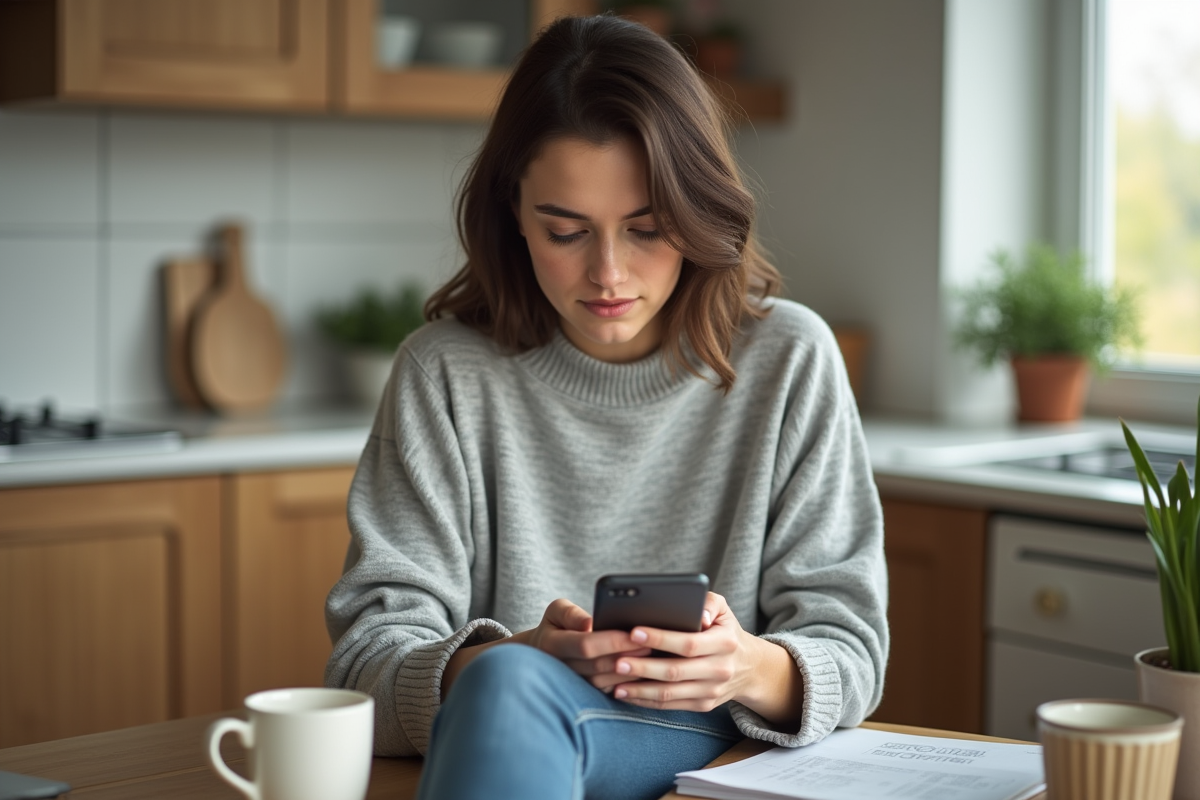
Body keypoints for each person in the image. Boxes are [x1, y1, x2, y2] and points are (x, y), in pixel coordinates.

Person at [324, 13, 888, 800]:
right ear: (513, 214)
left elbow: (851, 652)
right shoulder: (444, 372)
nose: (609, 273)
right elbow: (362, 670)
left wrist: (745, 665)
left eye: (647, 229)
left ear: (697, 214)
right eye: (566, 231)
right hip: (499, 740)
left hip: (721, 751)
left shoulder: (791, 359)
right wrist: (509, 661)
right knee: (509, 684)